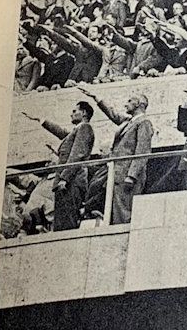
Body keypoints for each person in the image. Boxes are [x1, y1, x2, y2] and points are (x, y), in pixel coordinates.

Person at [91, 91, 154, 224]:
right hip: (119, 175)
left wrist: (131, 176)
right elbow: (113, 114)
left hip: (128, 176)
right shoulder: (129, 122)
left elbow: (142, 151)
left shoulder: (144, 122)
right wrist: (97, 97)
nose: (126, 104)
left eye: (130, 101)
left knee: (125, 212)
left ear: (139, 104)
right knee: (117, 211)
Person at [39, 101, 97, 232]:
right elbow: (64, 134)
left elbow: (78, 154)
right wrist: (42, 121)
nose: (71, 114)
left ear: (84, 113)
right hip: (68, 181)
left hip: (71, 181)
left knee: (67, 221)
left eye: (74, 111)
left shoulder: (85, 128)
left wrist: (65, 178)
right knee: (62, 221)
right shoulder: (79, 129)